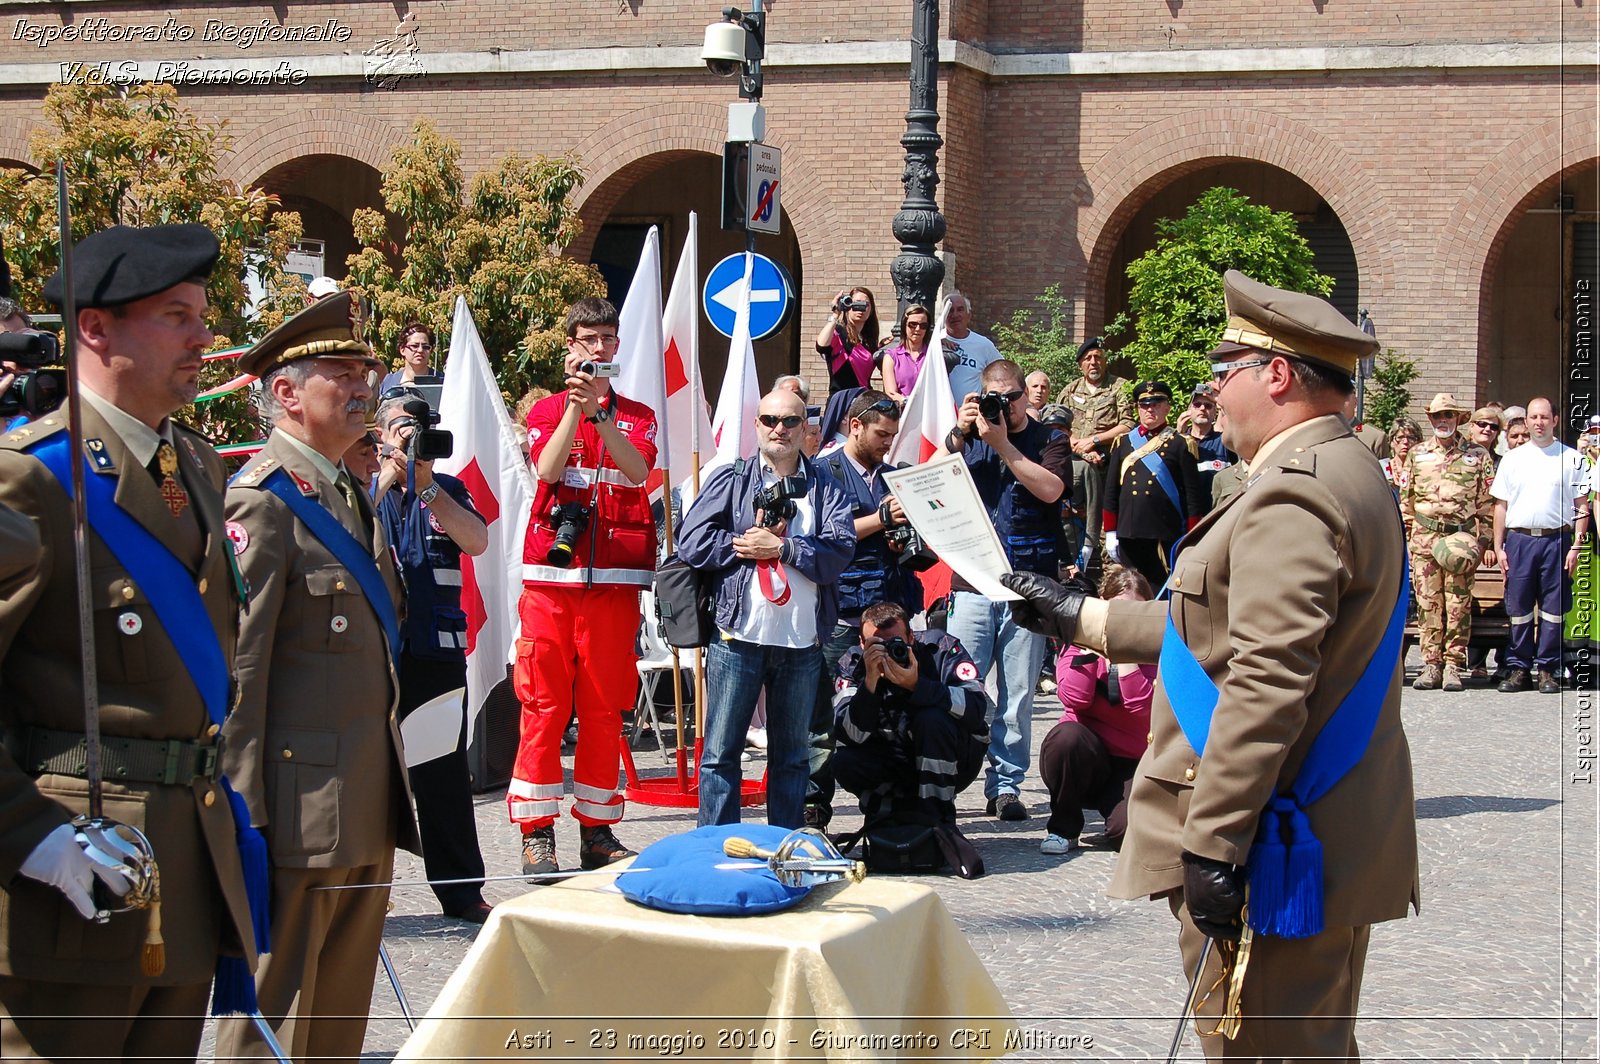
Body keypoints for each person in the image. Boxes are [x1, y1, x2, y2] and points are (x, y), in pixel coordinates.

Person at [1003, 269, 1416, 1060]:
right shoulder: (1344, 469)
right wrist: (1084, 617)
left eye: (1226, 375)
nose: (1215, 396)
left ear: (1278, 375)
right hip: (1314, 815)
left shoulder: (1294, 495)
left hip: (1273, 835)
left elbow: (1266, 680)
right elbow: (1219, 622)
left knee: (1262, 1050)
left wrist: (1214, 843)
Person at [0, 224, 260, 1060]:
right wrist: (26, 835)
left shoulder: (195, 468)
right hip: (72, 869)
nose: (204, 337)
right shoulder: (33, 476)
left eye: (204, 314)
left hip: (181, 865)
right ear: (96, 329)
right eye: (177, 316)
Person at [217, 290, 418, 1062]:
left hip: (362, 801)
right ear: (286, 393)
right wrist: (245, 820)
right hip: (295, 818)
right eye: (341, 370)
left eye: (365, 367)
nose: (365, 384)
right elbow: (241, 677)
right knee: (272, 1023)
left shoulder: (344, 494)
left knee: (335, 1025)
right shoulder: (262, 505)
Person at [511, 297, 658, 875]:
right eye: (588, 338)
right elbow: (546, 471)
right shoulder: (547, 409)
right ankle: (536, 830)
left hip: (614, 582)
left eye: (607, 339)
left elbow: (638, 471)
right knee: (544, 703)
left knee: (604, 707)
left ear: (618, 346)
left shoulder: (637, 415)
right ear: (570, 344)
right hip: (551, 577)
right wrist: (575, 409)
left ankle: (597, 830)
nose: (599, 348)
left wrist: (602, 416)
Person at [676, 388, 855, 828]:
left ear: (805, 428)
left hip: (801, 642)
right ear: (756, 425)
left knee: (793, 756)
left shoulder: (826, 485)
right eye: (770, 420)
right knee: (720, 754)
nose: (780, 429)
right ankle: (715, 849)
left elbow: (839, 551)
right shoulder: (731, 479)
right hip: (737, 638)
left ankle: (785, 848)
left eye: (790, 421)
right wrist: (744, 547)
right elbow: (692, 541)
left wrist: (785, 548)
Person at [373, 393, 493, 922]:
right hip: (373, 655)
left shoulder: (448, 490)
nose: (412, 436)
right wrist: (386, 476)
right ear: (378, 435)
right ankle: (362, 891)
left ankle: (462, 891)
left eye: (420, 427)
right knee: (367, 777)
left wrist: (426, 490)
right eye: (401, 426)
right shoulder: (357, 488)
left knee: (442, 776)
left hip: (436, 651)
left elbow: (477, 540)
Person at [941, 359, 1072, 821]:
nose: (1003, 406)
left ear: (1025, 395)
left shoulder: (1049, 440)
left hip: (1029, 585)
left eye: (1011, 397)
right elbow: (926, 486)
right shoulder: (969, 441)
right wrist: (958, 434)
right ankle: (946, 783)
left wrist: (1003, 446)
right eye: (993, 397)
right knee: (958, 689)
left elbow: (1052, 490)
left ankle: (1006, 787)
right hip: (974, 583)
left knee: (1017, 695)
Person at [808, 389, 924, 827]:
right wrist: (883, 520)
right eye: (880, 433)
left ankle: (885, 798)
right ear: (854, 425)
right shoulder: (823, 472)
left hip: (889, 608)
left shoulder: (893, 476)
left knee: (889, 706)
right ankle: (814, 803)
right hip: (842, 613)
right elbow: (823, 537)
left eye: (892, 436)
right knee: (823, 712)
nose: (886, 443)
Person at [831, 602, 990, 824]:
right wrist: (869, 684)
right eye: (876, 644)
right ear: (862, 643)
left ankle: (939, 814)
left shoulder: (940, 648)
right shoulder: (853, 663)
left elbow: (976, 707)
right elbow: (850, 734)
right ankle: (887, 810)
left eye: (896, 643)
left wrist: (918, 685)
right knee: (843, 760)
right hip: (890, 757)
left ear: (911, 638)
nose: (887, 652)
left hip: (950, 758)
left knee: (932, 719)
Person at [1039, 565, 1156, 856]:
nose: (1124, 621)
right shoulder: (1077, 644)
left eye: (1134, 614)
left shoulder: (1157, 651)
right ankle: (1062, 829)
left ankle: (1118, 814)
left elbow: (1141, 706)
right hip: (1085, 756)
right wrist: (1092, 649)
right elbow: (1074, 698)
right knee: (1066, 737)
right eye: (1117, 613)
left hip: (1133, 761)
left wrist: (1126, 652)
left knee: (1125, 835)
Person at [1492, 396, 1591, 693]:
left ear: (1555, 420)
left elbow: (1582, 506)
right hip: (1520, 540)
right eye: (1533, 417)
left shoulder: (1572, 458)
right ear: (1528, 421)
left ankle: (1548, 668)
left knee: (1553, 609)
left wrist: (1576, 546)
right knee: (1519, 607)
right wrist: (1499, 546)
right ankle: (1519, 668)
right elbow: (1501, 506)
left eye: (1544, 417)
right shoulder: (1512, 459)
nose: (1538, 423)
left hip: (1557, 539)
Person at [1400, 393, 1495, 692]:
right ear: (1430, 419)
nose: (1443, 421)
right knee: (1429, 604)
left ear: (1458, 419)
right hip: (1425, 540)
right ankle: (1431, 664)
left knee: (1457, 605)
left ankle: (1454, 664)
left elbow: (1487, 505)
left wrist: (1483, 542)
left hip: (1460, 540)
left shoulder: (1478, 456)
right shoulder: (1417, 454)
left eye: (1449, 415)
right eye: (1438, 416)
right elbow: (1407, 502)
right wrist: (1406, 539)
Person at [1101, 380, 1205, 593]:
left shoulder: (1180, 444)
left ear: (1167, 407)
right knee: (1129, 588)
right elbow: (1111, 491)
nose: (1150, 409)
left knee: (1160, 590)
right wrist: (1110, 531)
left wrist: (1191, 534)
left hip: (1163, 531)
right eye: (1144, 404)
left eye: (1156, 403)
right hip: (1129, 531)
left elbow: (1193, 497)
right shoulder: (1123, 443)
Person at [1056, 338, 1135, 574]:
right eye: (1088, 358)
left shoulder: (1119, 387)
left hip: (1107, 467)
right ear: (1080, 364)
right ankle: (1074, 574)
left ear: (1105, 361)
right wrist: (1076, 446)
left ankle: (1108, 577)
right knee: (1076, 524)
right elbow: (1057, 425)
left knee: (1107, 525)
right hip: (1077, 470)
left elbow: (1128, 424)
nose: (1093, 362)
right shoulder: (1069, 390)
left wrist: (1095, 441)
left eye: (1098, 357)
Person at [941, 290, 1003, 409]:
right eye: (950, 310)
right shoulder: (935, 342)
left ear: (969, 315)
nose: (955, 315)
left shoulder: (983, 345)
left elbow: (1001, 373)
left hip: (971, 414)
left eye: (960, 309)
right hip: (940, 414)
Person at [1176, 381, 1236, 500]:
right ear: (1189, 410)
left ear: (1215, 412)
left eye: (1208, 406)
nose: (1202, 408)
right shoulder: (1179, 441)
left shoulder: (1224, 441)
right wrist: (1178, 437)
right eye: (1197, 405)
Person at [814, 287, 882, 392]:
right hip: (843, 398)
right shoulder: (839, 332)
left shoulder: (869, 341)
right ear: (848, 306)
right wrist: (835, 314)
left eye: (865, 304)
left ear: (871, 309)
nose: (860, 308)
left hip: (864, 398)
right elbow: (821, 346)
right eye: (855, 304)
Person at [880, 304, 932, 403]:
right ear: (904, 325)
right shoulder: (891, 356)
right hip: (902, 415)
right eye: (913, 324)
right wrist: (908, 402)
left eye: (923, 326)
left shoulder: (933, 356)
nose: (917, 329)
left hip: (928, 415)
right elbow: (890, 393)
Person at [378, 321, 439, 394]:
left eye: (425, 347)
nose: (420, 350)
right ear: (402, 350)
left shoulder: (443, 381)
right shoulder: (389, 382)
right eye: (414, 346)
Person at [1343, 392, 1390, 457]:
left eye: (1344, 398)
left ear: (1355, 402)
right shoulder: (1325, 434)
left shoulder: (1374, 437)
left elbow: (1385, 466)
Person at [1388, 416, 1422, 494]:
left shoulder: (1422, 469)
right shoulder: (1383, 468)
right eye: (1400, 437)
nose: (1405, 442)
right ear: (1392, 442)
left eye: (1411, 438)